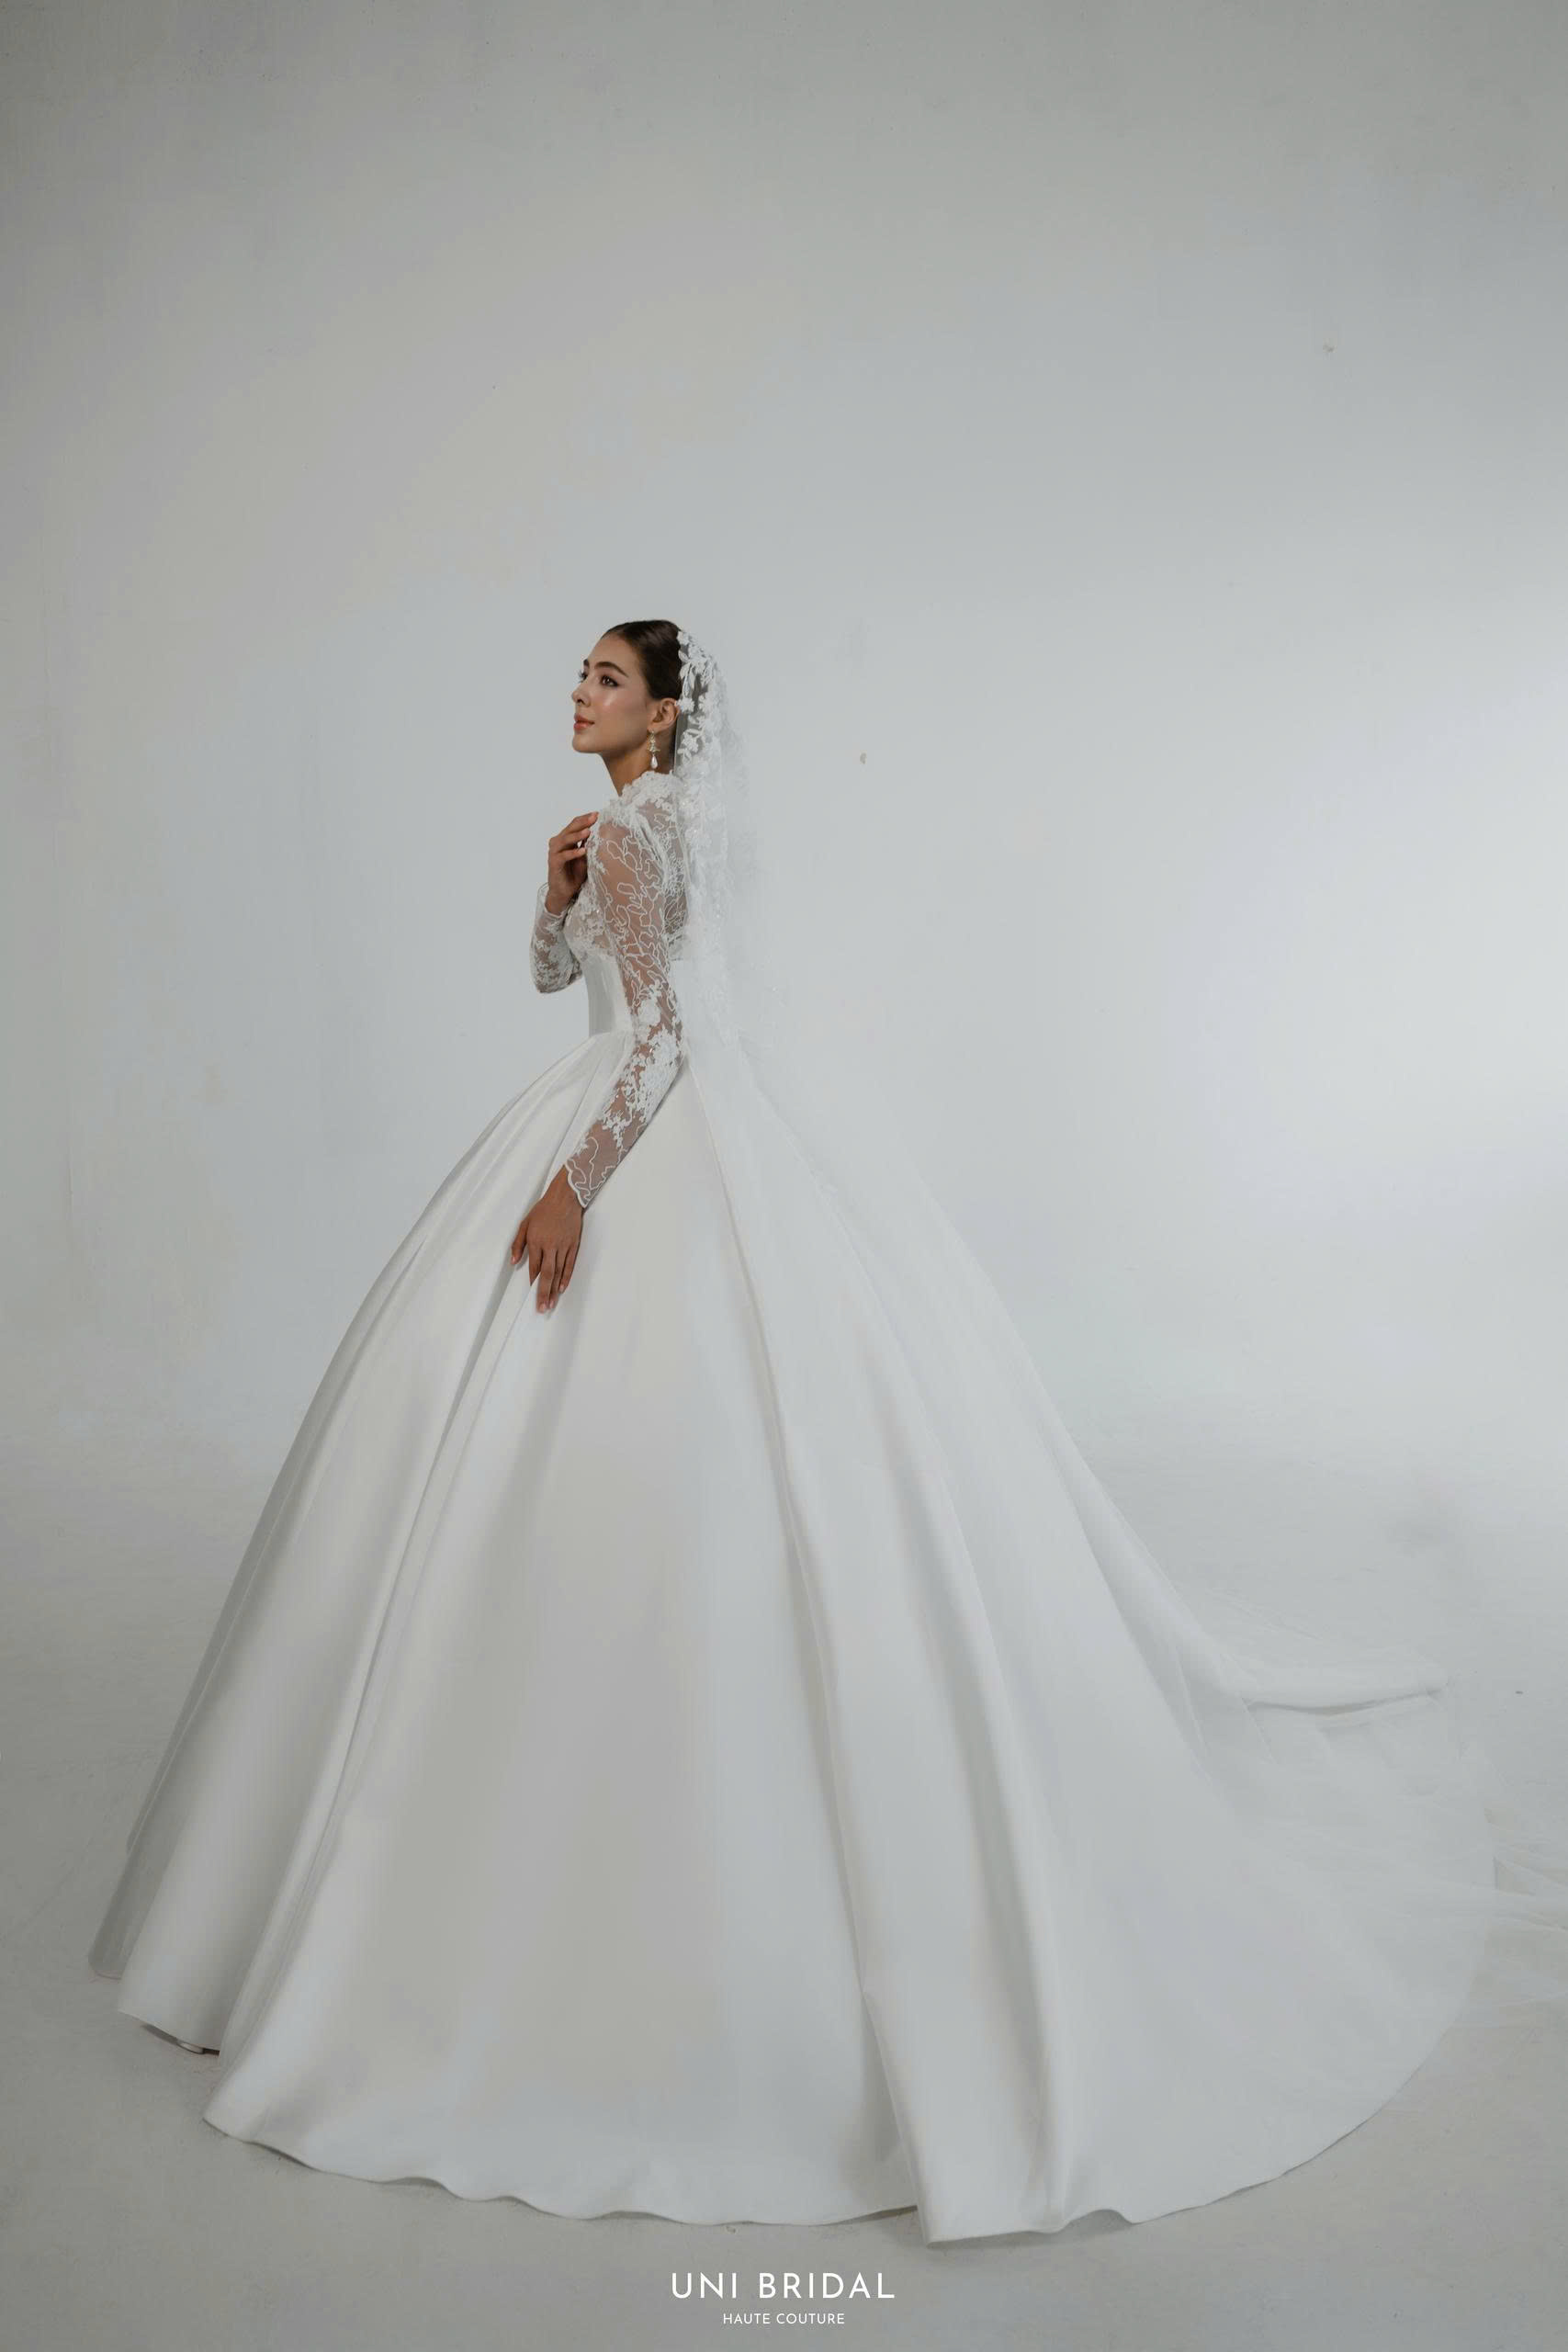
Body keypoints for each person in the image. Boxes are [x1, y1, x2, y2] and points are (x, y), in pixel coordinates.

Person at [90, 619, 1568, 2245]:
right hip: (695, 1132)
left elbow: (656, 1040)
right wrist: (546, 888)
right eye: (581, 676)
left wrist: (572, 1193)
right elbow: (564, 982)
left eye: (606, 680)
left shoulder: (645, 829)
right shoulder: (646, 828)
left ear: (664, 716)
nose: (578, 694)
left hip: (635, 1143)